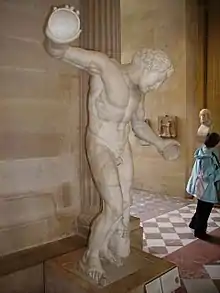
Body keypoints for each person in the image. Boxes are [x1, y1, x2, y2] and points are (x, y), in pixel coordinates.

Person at [44, 5, 180, 284]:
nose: (158, 86)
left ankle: (104, 247)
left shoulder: (138, 94)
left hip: (122, 148)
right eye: (159, 79)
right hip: (101, 145)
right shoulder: (106, 68)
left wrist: (161, 145)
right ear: (148, 66)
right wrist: (59, 31)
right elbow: (58, 52)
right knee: (115, 208)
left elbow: (138, 125)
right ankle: (91, 256)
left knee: (126, 203)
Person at [186, 132, 220, 240]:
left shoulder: (204, 150)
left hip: (202, 186)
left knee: (201, 207)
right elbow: (207, 176)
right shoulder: (207, 157)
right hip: (206, 187)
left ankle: (193, 223)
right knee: (205, 210)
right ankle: (199, 232)